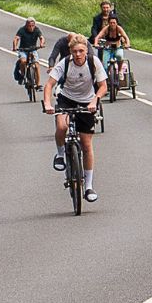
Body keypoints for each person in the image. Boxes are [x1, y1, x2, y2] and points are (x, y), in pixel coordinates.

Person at [43, 34, 107, 202]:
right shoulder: (64, 63)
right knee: (62, 127)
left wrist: (95, 100)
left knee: (86, 145)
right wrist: (48, 104)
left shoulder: (94, 62)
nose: (78, 54)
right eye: (74, 51)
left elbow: (103, 86)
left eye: (81, 51)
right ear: (70, 51)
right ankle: (60, 154)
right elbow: (49, 85)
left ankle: (88, 187)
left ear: (86, 50)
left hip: (88, 101)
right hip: (66, 98)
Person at [93, 13, 131, 83]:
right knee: (104, 66)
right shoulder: (106, 29)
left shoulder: (119, 28)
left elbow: (126, 37)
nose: (112, 24)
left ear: (116, 23)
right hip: (108, 48)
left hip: (118, 47)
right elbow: (98, 36)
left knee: (119, 56)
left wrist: (127, 44)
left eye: (114, 23)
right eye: (111, 23)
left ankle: (120, 71)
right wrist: (96, 43)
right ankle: (106, 79)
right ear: (108, 23)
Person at [12, 17, 45, 85]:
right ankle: (23, 75)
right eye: (29, 26)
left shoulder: (37, 30)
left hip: (33, 50)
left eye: (33, 26)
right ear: (26, 25)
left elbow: (41, 37)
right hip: (23, 50)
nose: (31, 27)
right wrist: (15, 47)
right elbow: (16, 38)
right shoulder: (22, 30)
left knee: (36, 65)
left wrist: (41, 44)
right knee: (23, 61)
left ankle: (38, 84)